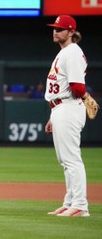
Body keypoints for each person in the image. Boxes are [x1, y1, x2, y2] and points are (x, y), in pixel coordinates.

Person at [44, 15, 90, 217]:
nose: (55, 31)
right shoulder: (65, 52)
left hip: (69, 107)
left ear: (71, 32)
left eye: (60, 29)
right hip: (61, 107)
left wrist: (86, 96)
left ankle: (80, 205)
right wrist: (53, 115)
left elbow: (77, 87)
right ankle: (70, 201)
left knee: (71, 159)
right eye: (54, 28)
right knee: (65, 160)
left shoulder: (71, 52)